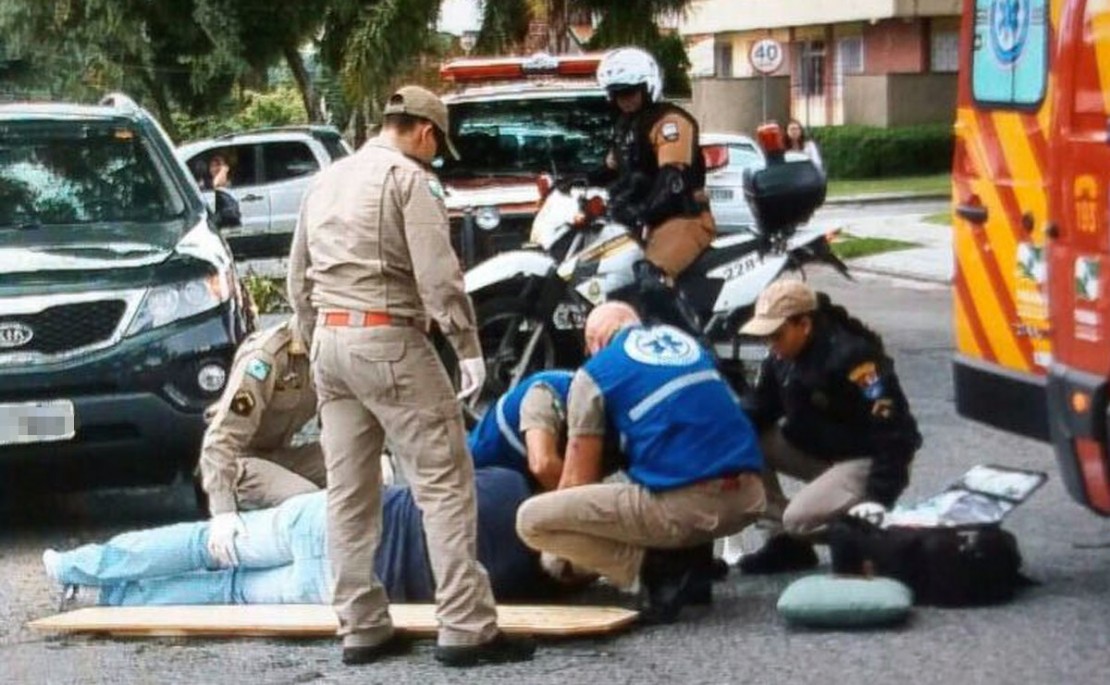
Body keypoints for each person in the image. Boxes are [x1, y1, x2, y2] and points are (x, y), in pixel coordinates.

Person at [286, 85, 534, 667]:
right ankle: (466, 627)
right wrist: (467, 345)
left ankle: (361, 625)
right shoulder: (410, 179)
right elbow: (438, 275)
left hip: (330, 343)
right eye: (437, 145)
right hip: (390, 340)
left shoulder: (326, 180)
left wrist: (310, 334)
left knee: (348, 494)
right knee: (443, 482)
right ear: (425, 132)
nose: (436, 155)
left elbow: (297, 276)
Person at [515, 302, 766, 624]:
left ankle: (655, 571)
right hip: (749, 496)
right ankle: (693, 561)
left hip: (691, 508)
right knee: (676, 459)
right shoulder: (686, 344)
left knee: (533, 521)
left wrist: (561, 554)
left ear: (595, 342)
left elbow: (579, 480)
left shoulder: (595, 372)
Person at [42, 468, 547, 607]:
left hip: (336, 521)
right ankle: (108, 600)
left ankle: (78, 567)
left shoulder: (506, 483)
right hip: (348, 585)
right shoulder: (524, 579)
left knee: (205, 545)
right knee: (229, 593)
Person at [736, 280, 922, 574]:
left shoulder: (854, 358)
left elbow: (894, 432)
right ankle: (786, 543)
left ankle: (859, 534)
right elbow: (759, 407)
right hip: (824, 452)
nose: (770, 344)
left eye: (776, 335)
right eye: (765, 337)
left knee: (797, 519)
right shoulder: (780, 357)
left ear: (804, 324)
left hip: (868, 459)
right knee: (744, 440)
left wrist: (877, 497)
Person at [591, 47, 716, 334]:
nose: (626, 99)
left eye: (631, 91)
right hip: (646, 222)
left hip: (682, 220)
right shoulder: (625, 127)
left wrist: (641, 210)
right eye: (618, 94)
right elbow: (609, 169)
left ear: (648, 87)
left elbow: (672, 179)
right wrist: (575, 183)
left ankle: (696, 349)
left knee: (651, 278)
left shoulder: (670, 122)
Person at [198, 316, 327, 569]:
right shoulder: (264, 358)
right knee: (308, 501)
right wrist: (223, 513)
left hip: (281, 454)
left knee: (363, 471)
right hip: (237, 461)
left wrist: (381, 455)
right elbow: (221, 439)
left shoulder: (330, 350)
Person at [467, 370, 574, 491]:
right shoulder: (547, 392)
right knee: (513, 484)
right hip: (480, 476)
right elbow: (543, 466)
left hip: (523, 478)